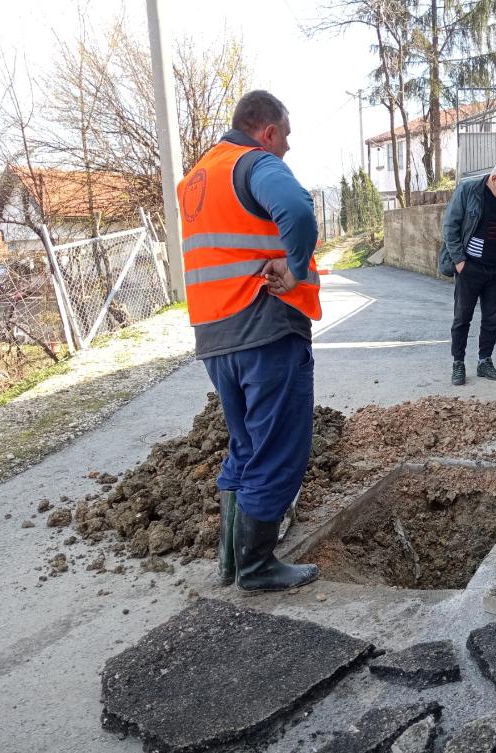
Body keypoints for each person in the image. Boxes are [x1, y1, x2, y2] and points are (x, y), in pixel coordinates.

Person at [176, 90, 323, 593]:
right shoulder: (254, 163)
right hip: (264, 328)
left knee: (245, 446)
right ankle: (257, 567)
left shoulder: (196, 177)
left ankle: (231, 564)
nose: (286, 149)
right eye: (285, 138)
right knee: (279, 448)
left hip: (215, 336)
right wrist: (296, 267)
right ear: (268, 132)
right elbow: (298, 213)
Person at [438, 160, 496, 386]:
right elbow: (450, 227)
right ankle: (458, 363)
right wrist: (459, 261)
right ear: (494, 178)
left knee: (492, 319)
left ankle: (484, 361)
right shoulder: (468, 190)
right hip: (470, 269)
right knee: (462, 318)